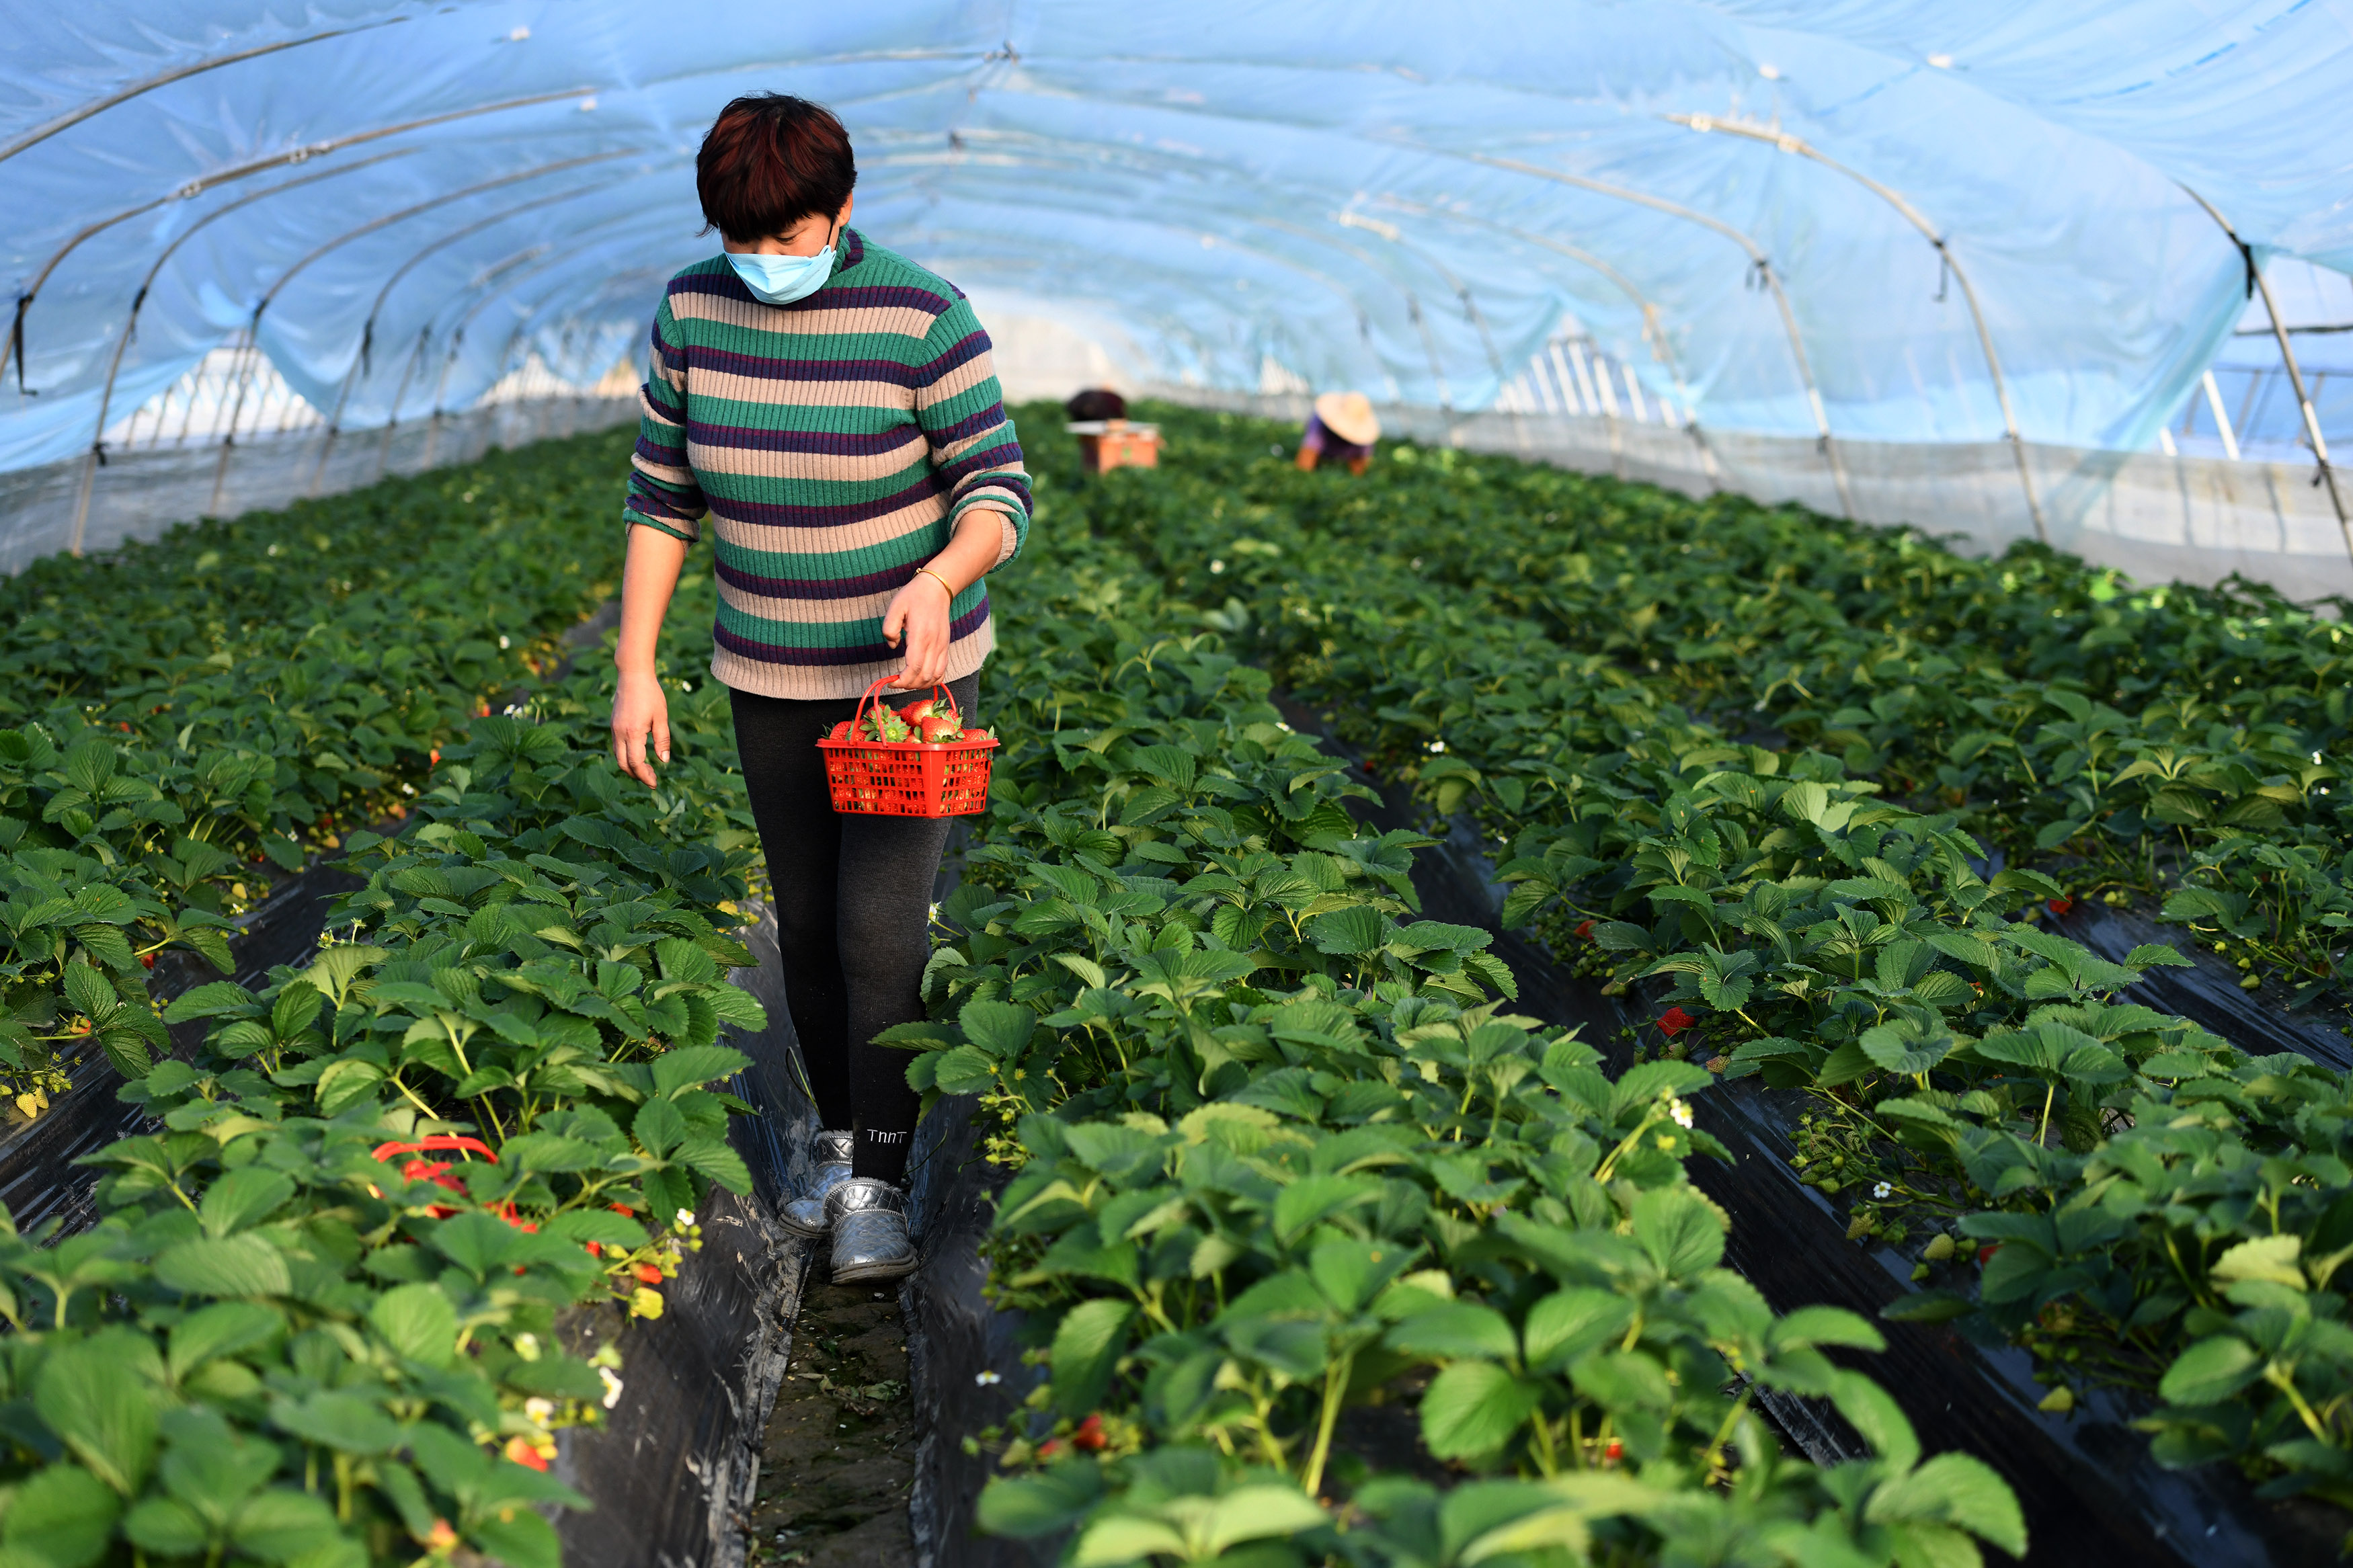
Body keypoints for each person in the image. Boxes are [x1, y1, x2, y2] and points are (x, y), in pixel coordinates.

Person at [608, 93, 1031, 1284]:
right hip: (769, 670)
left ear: (843, 211)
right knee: (803, 921)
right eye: (744, 239)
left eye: (788, 240)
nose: (764, 264)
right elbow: (662, 498)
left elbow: (997, 490)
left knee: (877, 928)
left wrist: (942, 580)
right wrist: (636, 667)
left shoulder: (921, 312)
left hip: (907, 686)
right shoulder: (692, 310)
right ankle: (844, 1137)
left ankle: (881, 1186)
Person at [1295, 390, 1380, 475]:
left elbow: (1360, 464)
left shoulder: (1364, 440)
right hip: (1324, 450)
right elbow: (1306, 457)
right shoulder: (1320, 423)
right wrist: (1305, 474)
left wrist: (1356, 479)